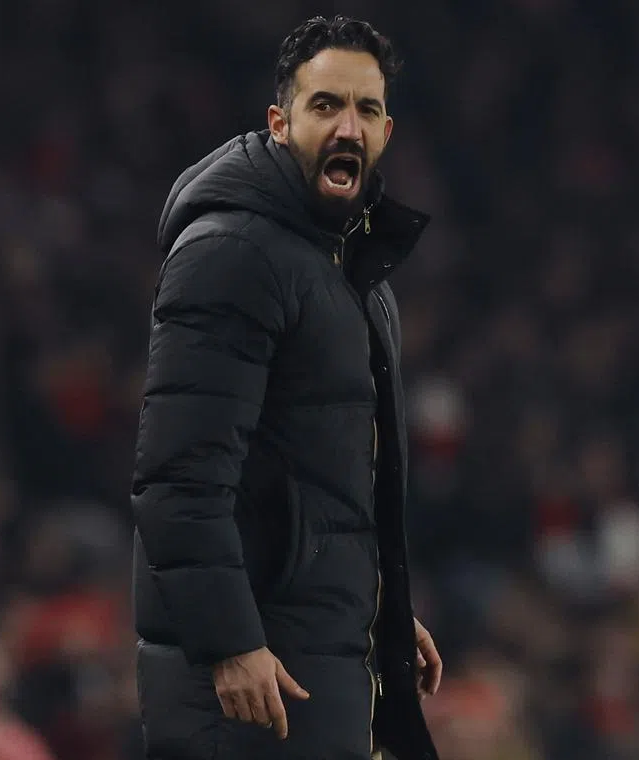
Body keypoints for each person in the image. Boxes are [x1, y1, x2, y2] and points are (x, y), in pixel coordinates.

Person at [129, 15, 442, 760]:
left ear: (387, 131)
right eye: (325, 104)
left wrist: (377, 606)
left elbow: (326, 488)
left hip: (317, 659)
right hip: (248, 686)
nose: (347, 126)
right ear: (280, 122)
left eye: (366, 110)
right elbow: (180, 476)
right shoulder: (232, 252)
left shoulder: (354, 273)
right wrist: (229, 641)